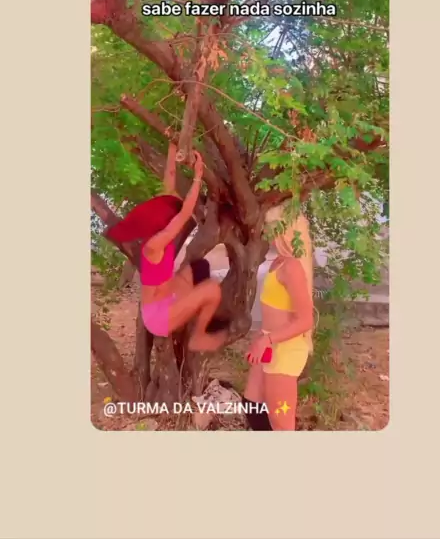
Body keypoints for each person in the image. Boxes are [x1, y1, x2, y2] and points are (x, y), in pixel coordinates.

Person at [106, 142, 229, 352]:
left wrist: (173, 149)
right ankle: (198, 336)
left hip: (167, 297)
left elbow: (169, 186)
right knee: (212, 289)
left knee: (199, 268)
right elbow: (184, 214)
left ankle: (193, 310)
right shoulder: (154, 245)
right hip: (157, 318)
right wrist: (198, 176)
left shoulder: (158, 232)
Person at [243, 204, 314, 430]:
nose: (265, 232)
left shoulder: (292, 267)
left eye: (270, 226)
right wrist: (262, 336)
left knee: (281, 424)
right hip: (271, 345)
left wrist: (267, 339)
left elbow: (306, 320)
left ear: (284, 230)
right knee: (253, 406)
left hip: (285, 351)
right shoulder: (279, 261)